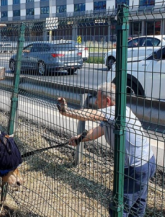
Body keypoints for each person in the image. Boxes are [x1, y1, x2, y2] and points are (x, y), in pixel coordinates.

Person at [57, 82, 156, 217]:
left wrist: (66, 112)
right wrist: (80, 138)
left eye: (98, 99)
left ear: (108, 100)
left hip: (136, 169)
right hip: (147, 162)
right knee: (137, 207)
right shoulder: (116, 114)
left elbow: (90, 114)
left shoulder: (115, 110)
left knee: (119, 208)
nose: (96, 103)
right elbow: (99, 130)